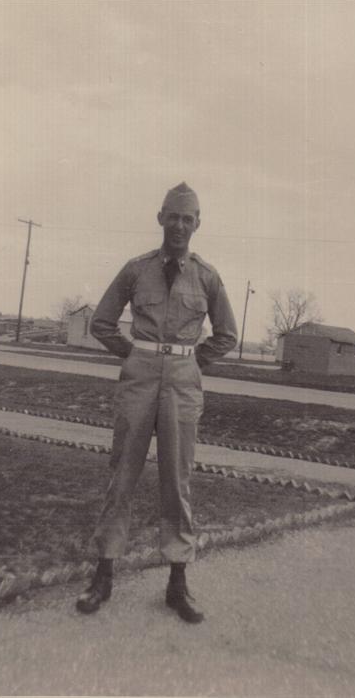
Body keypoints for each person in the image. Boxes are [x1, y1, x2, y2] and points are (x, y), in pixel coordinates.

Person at [75, 182, 238, 623]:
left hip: (183, 381)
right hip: (140, 375)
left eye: (189, 219)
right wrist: (134, 355)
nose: (180, 225)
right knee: (122, 472)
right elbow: (102, 322)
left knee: (178, 479)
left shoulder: (207, 276)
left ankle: (177, 584)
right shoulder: (136, 270)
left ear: (197, 224)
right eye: (173, 216)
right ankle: (103, 574)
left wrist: (193, 363)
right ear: (160, 218)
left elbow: (226, 334)